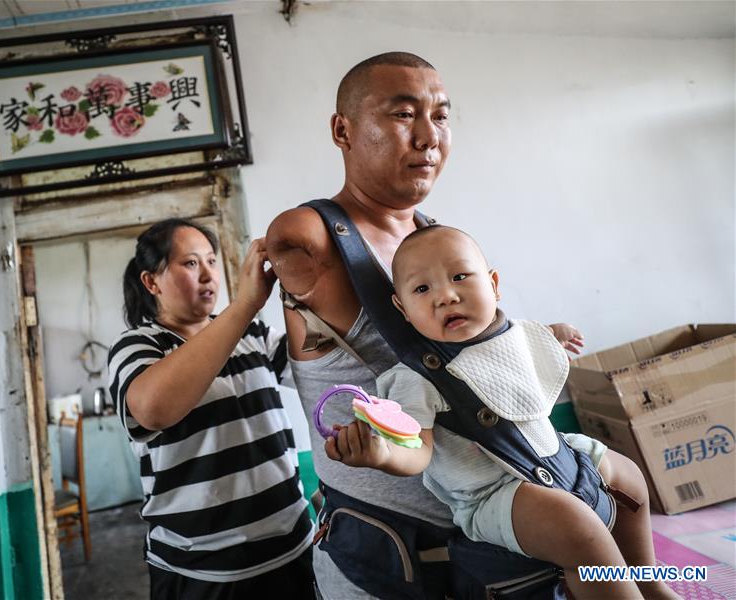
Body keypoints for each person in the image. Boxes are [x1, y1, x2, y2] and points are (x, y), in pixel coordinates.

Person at [266, 52, 587, 599]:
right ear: (343, 130)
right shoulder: (314, 237)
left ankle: (655, 583)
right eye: (402, 114)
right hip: (390, 558)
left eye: (440, 116)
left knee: (619, 498)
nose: (427, 136)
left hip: (489, 549)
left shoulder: (431, 237)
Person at [327, 225, 680, 599]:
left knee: (630, 478)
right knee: (579, 529)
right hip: (493, 494)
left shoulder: (511, 333)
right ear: (403, 309)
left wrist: (551, 335)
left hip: (556, 453)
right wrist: (384, 453)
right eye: (422, 289)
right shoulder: (416, 377)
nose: (446, 296)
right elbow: (418, 449)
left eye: (460, 276)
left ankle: (649, 581)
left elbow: (513, 352)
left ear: (493, 284)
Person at [107, 218, 315, 600]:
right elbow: (153, 409)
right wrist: (246, 303)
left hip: (292, 550)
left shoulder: (251, 335)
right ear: (151, 282)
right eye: (190, 264)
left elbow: (317, 367)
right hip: (201, 573)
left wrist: (305, 286)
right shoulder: (137, 346)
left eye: (211, 261)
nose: (207, 275)